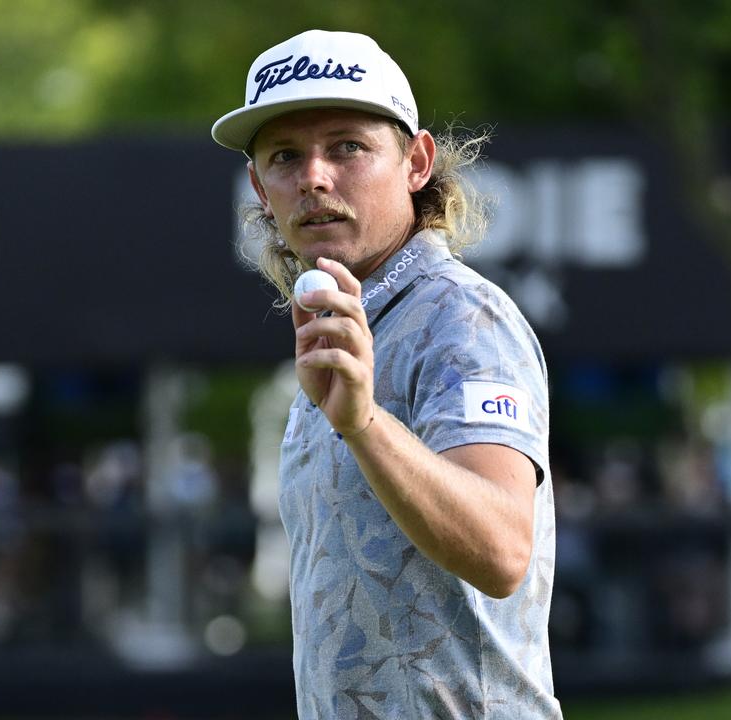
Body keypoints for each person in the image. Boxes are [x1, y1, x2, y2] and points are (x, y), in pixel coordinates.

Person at [213, 29, 560, 719]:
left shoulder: (462, 319)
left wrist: (364, 425)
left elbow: (500, 549)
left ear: (416, 162)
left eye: (347, 146)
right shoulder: (346, 322)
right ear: (258, 185)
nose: (314, 176)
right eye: (285, 156)